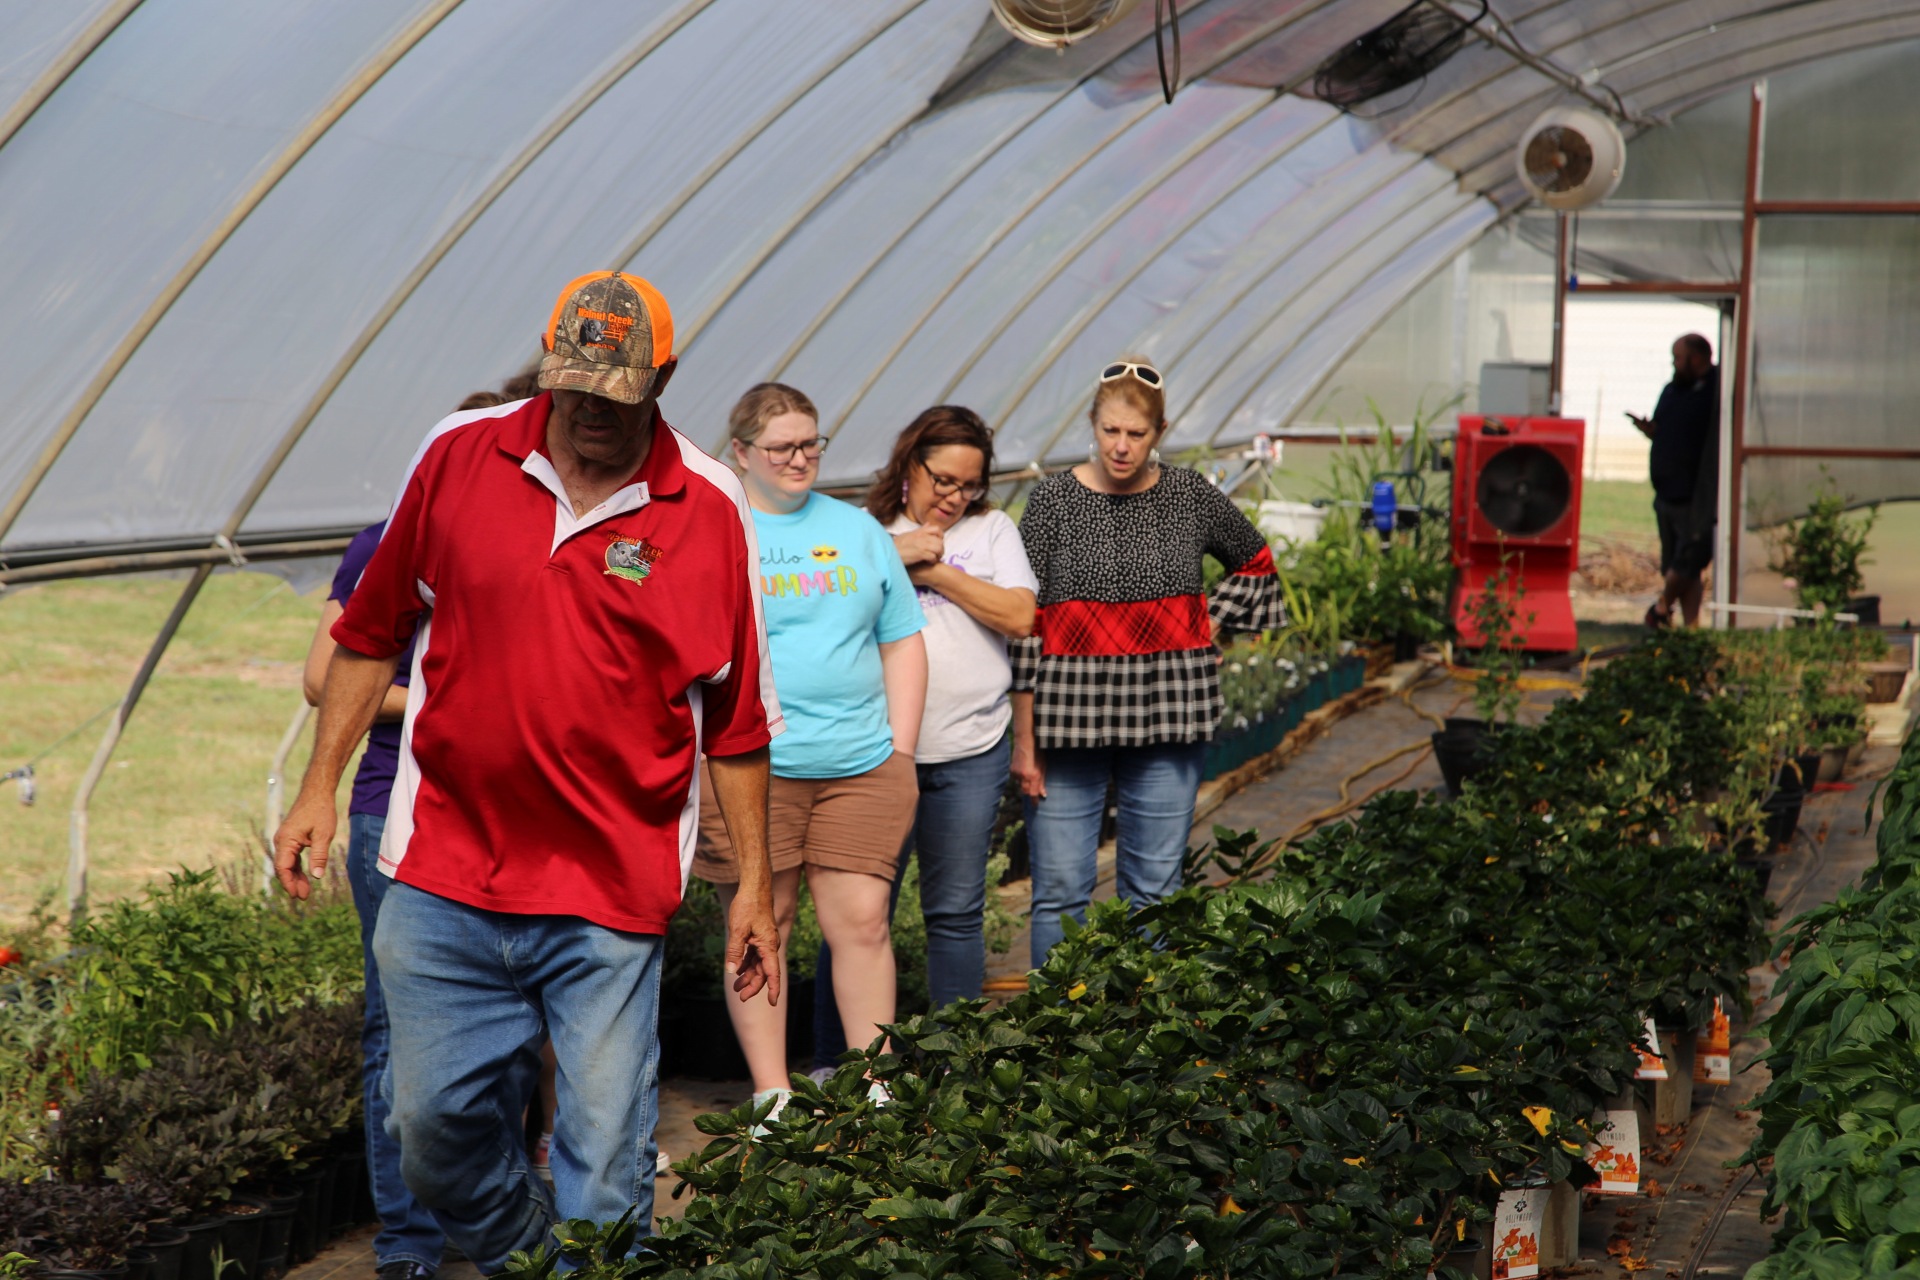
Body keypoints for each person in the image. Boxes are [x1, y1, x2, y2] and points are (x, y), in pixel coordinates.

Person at [273, 272, 783, 1270]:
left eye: (615, 391)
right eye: (573, 384)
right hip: (445, 870)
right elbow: (370, 634)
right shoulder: (460, 454)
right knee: (431, 1133)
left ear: (663, 379)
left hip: (607, 888)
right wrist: (318, 785)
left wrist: (755, 882)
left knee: (603, 1153)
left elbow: (736, 718)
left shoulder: (711, 510)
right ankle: (538, 1259)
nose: (589, 410)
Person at [692, 382, 927, 1117]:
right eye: (782, 447)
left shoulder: (858, 530)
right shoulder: (718, 530)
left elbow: (902, 637)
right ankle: (773, 1096)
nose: (800, 459)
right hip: (751, 770)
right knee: (767, 925)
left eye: (811, 443)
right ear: (740, 454)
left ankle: (873, 1085)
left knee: (861, 923)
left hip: (861, 764)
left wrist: (902, 751)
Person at [1010, 357, 1284, 969]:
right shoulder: (1052, 500)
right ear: (1093, 424)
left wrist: (1207, 620)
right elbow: (1023, 619)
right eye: (1111, 430)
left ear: (1159, 432)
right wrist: (1023, 739)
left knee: (1154, 893)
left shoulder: (1188, 495)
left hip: (1170, 714)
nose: (1122, 446)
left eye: (1137, 434)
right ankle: (1057, 1035)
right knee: (1058, 893)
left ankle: (1142, 1035)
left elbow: (1257, 560)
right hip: (1066, 722)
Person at [810, 407, 1037, 1052]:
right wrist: (891, 553)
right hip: (876, 753)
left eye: (968, 485)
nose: (954, 498)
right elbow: (822, 612)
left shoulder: (992, 531)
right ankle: (838, 1065)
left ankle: (952, 1061)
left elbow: (1021, 615)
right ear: (908, 465)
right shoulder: (863, 530)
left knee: (956, 912)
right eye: (942, 480)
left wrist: (936, 571)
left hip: (970, 749)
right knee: (858, 915)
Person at [1628, 333, 1720, 628]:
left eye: (1678, 358)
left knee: (1687, 562)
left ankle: (1660, 609)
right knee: (1679, 567)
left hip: (1695, 496)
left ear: (1697, 358)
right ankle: (1690, 626)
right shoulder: (1672, 390)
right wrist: (1648, 429)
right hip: (1666, 493)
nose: (1673, 364)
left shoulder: (1715, 390)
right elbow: (1662, 429)